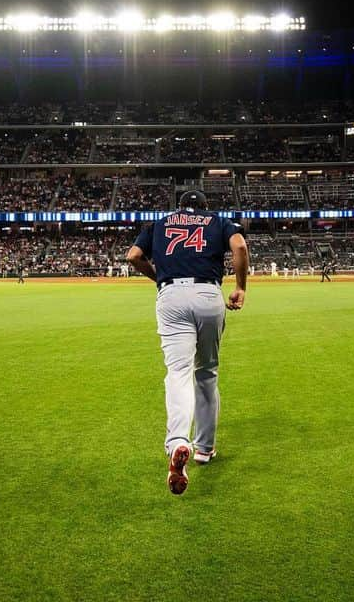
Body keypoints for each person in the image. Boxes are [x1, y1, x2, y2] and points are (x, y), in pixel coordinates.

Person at [126, 190, 249, 496]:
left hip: (171, 295)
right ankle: (204, 449)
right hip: (208, 294)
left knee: (178, 372)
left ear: (179, 207)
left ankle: (178, 441)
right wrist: (240, 287)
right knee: (206, 373)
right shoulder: (219, 222)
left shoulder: (158, 224)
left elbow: (133, 256)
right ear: (205, 208)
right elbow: (240, 245)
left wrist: (157, 277)